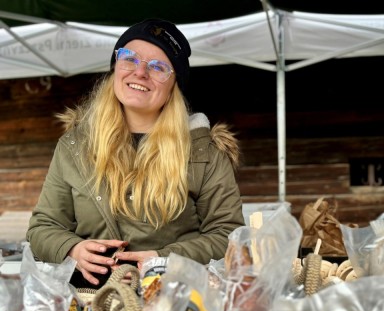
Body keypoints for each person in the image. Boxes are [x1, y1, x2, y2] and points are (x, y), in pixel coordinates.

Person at [26, 19, 244, 288]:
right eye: (129, 58)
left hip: (174, 299)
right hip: (87, 300)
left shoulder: (204, 152)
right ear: (116, 67)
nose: (140, 72)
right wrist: (72, 249)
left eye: (158, 67)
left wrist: (164, 260)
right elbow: (42, 227)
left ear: (174, 85)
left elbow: (228, 235)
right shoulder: (74, 145)